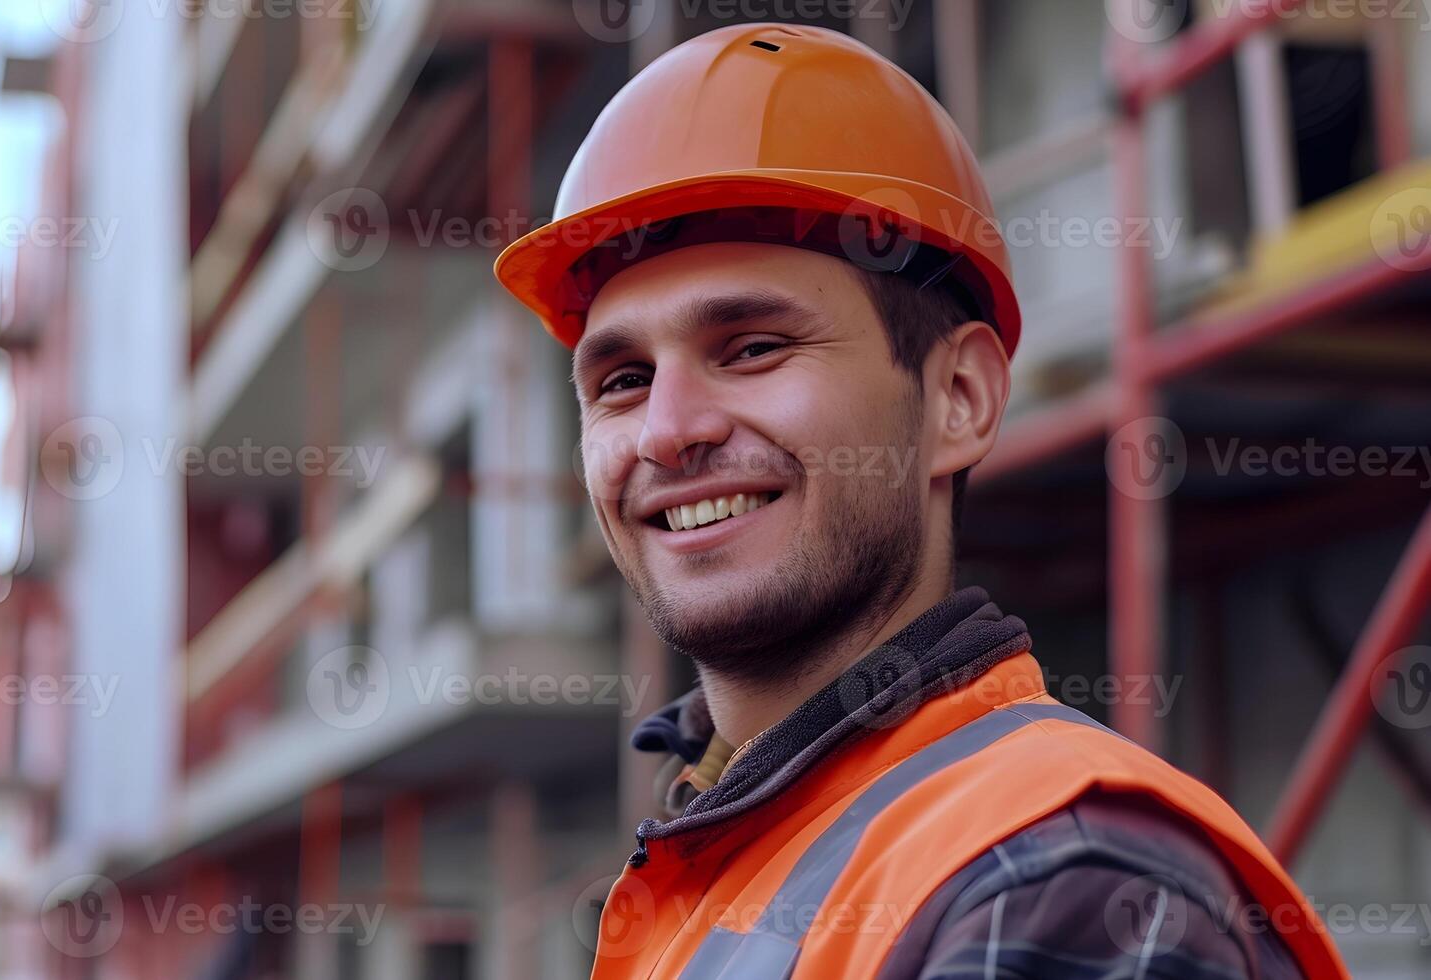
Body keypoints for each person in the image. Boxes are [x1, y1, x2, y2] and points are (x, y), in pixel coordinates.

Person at [493, 23, 1348, 979]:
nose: (665, 430)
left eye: (752, 347)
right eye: (619, 380)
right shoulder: (735, 847)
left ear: (959, 401)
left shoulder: (1055, 885)